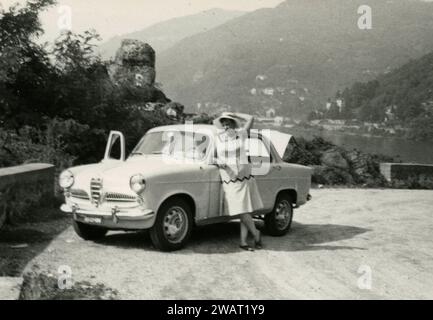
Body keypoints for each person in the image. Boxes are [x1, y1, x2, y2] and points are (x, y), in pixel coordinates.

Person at [213, 112, 264, 251]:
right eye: (223, 123)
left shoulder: (241, 133)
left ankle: (243, 242)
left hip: (244, 175)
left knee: (244, 209)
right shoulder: (218, 138)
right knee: (242, 209)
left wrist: (235, 114)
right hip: (229, 177)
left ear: (233, 123)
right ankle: (256, 234)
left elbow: (251, 118)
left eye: (228, 122)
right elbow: (213, 157)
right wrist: (219, 162)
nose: (225, 125)